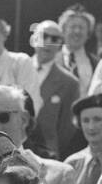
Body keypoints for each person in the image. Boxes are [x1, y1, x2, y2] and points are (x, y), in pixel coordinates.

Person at [30, 20, 84, 161]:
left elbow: (67, 129)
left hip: (46, 154)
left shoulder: (69, 82)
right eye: (44, 36)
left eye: (54, 39)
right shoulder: (17, 68)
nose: (48, 41)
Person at [58, 5, 99, 97]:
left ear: (88, 34)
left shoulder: (97, 64)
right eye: (72, 27)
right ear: (63, 30)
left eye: (81, 28)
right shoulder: (51, 61)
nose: (77, 31)